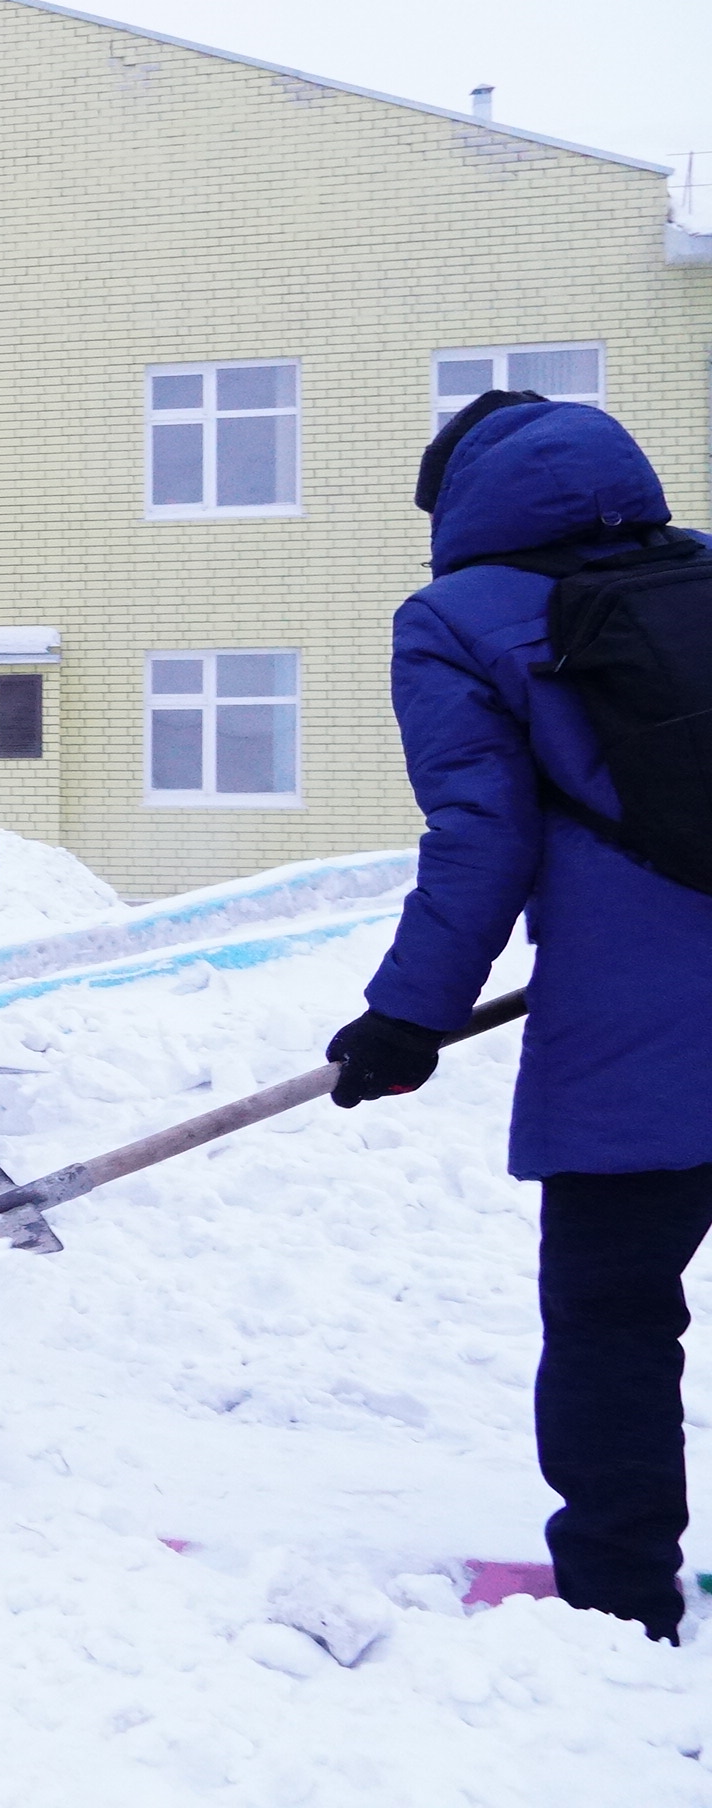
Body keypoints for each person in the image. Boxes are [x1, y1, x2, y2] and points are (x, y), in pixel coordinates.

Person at [324, 393, 712, 1645]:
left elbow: (478, 836)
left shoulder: (454, 621)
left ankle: (615, 1597)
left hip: (633, 1035)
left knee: (611, 1314)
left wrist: (402, 1016)